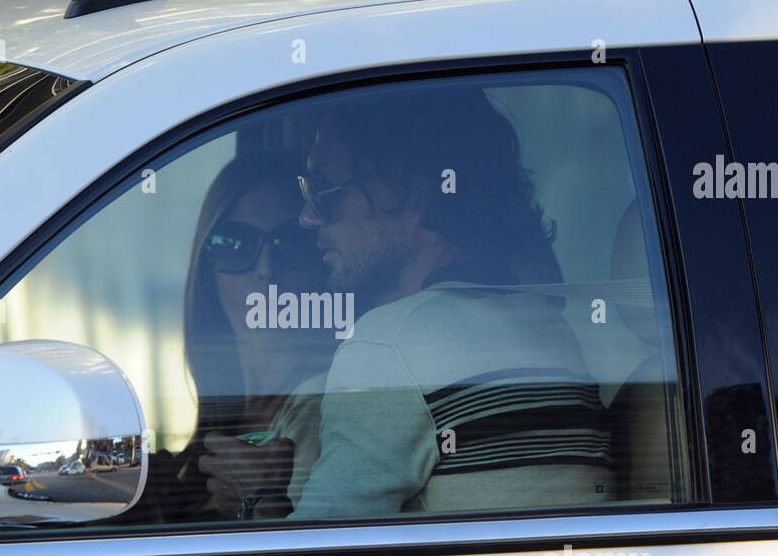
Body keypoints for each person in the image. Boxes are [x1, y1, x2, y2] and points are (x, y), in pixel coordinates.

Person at [200, 82, 615, 519]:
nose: (308, 216)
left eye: (324, 189)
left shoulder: (388, 346)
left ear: (405, 191)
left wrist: (256, 495)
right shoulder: (548, 329)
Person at [145, 150, 334, 522]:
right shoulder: (226, 416)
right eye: (235, 245)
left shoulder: (326, 408)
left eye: (290, 243)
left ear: (323, 260)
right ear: (207, 269)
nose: (265, 269)